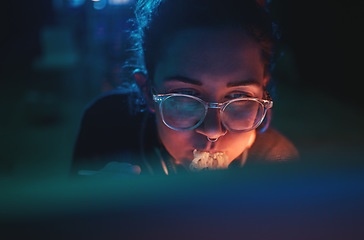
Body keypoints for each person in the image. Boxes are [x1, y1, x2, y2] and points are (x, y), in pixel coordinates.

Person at [71, 0, 299, 176]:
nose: (212, 131)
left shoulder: (275, 162)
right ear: (148, 91)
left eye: (239, 96)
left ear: (263, 92)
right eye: (186, 96)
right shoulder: (105, 126)